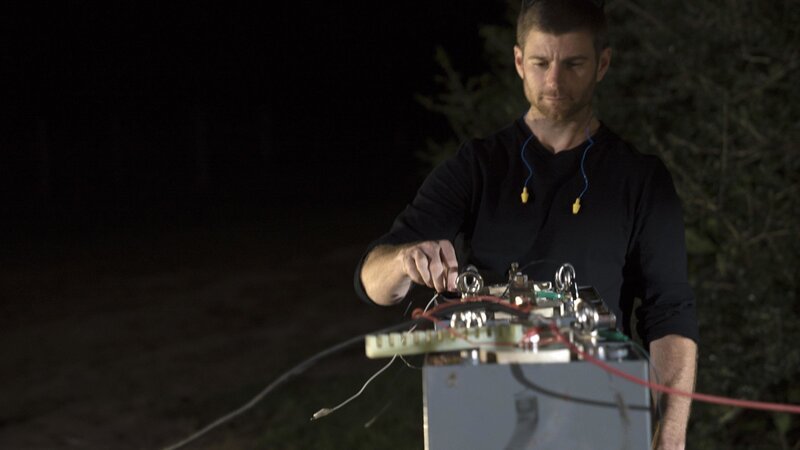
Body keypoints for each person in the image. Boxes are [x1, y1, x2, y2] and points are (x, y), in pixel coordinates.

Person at [354, 0, 698, 448]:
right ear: (519, 61)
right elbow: (374, 282)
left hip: (598, 415)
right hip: (482, 415)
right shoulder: (476, 167)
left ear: (603, 63)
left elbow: (669, 314)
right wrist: (403, 260)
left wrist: (669, 438)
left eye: (574, 63)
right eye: (540, 62)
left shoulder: (641, 179)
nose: (554, 81)